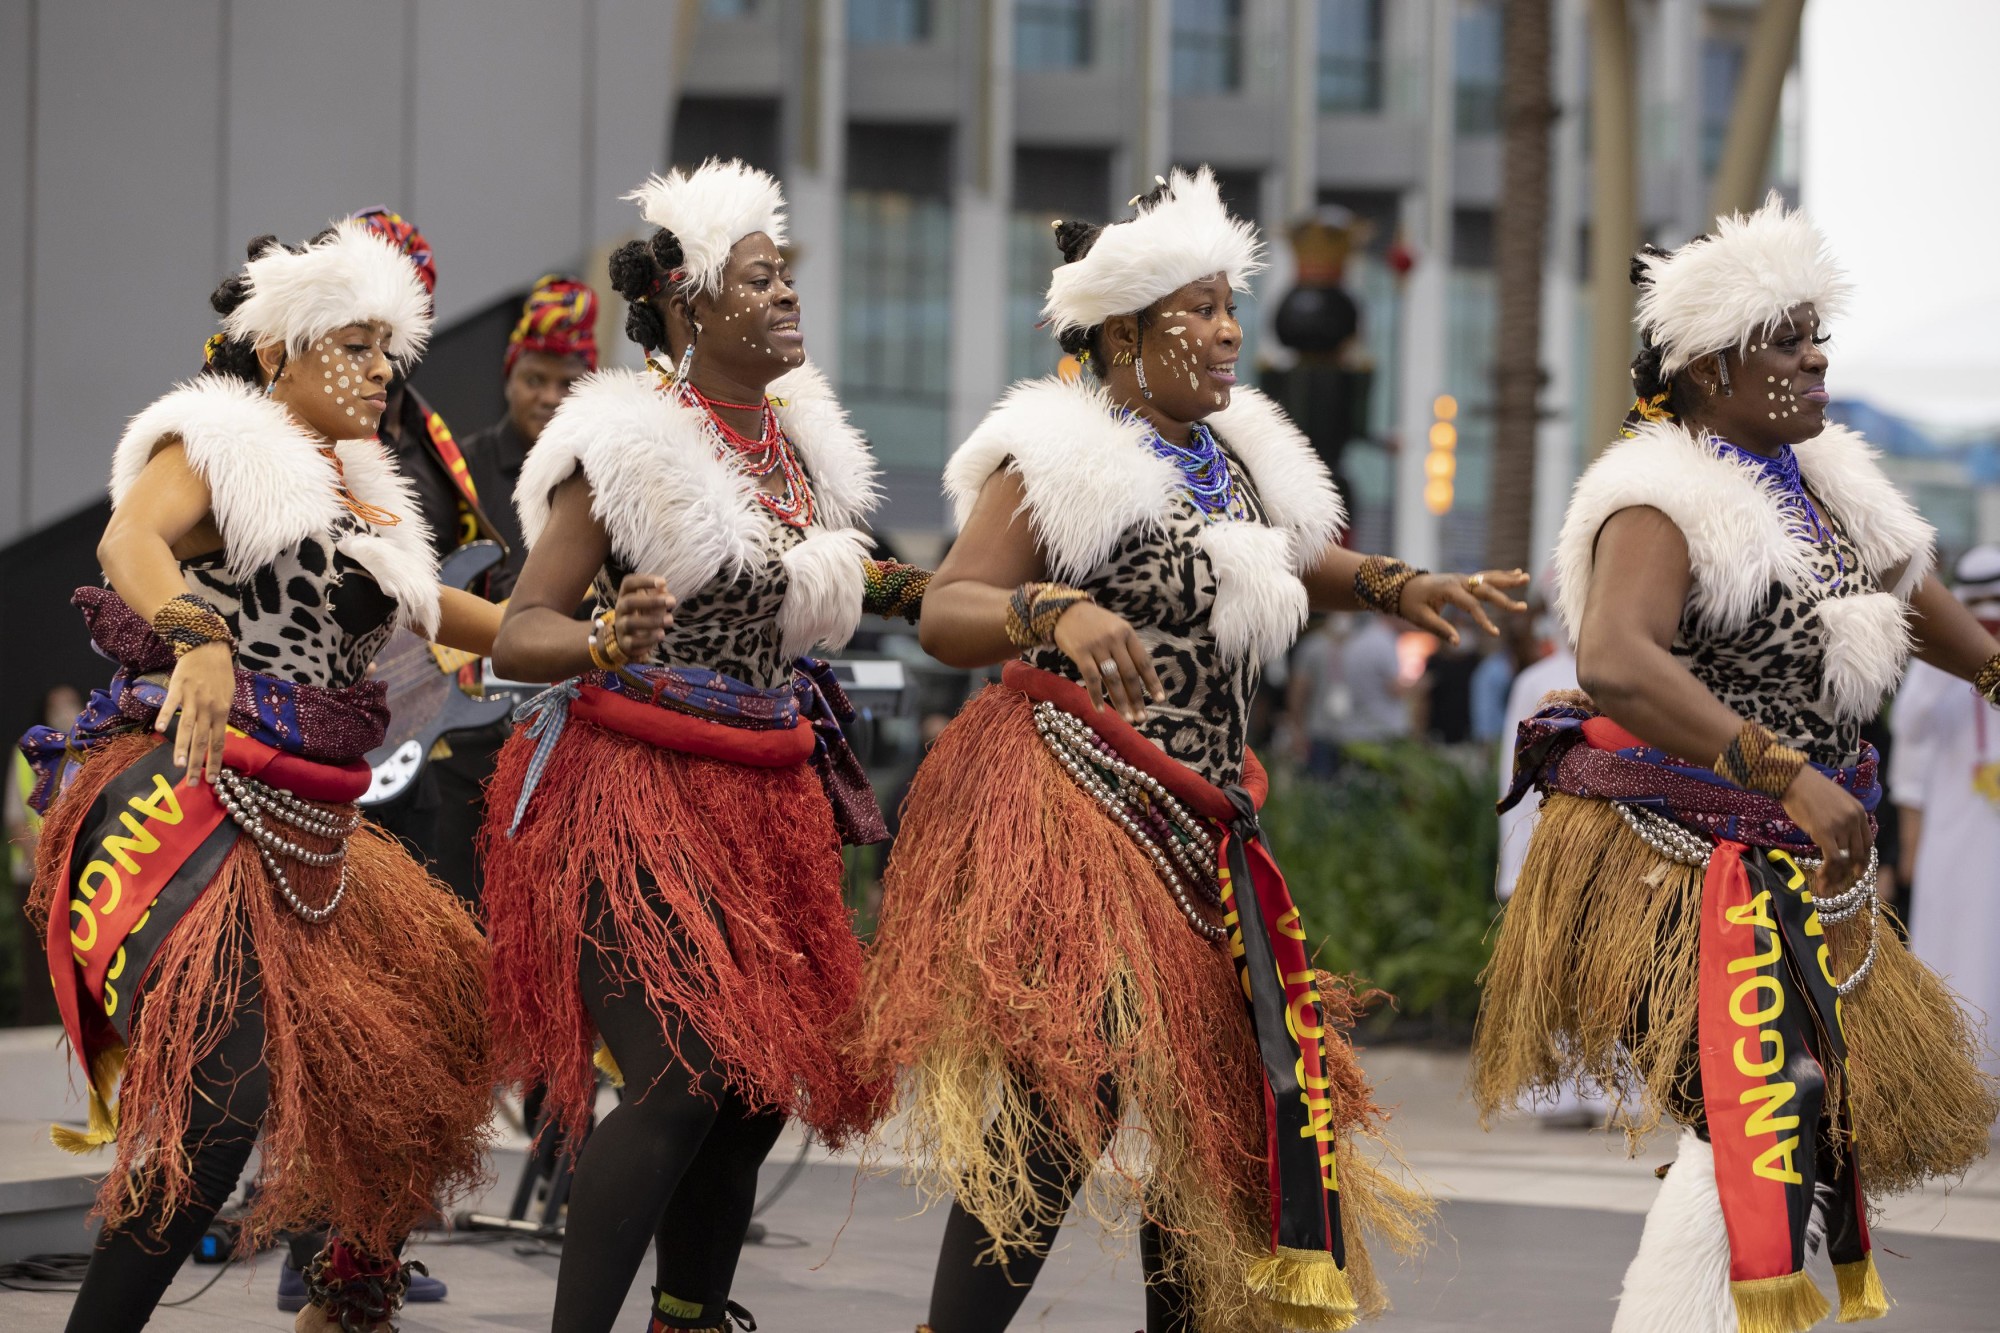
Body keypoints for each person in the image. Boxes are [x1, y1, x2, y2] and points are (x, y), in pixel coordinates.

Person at [860, 168, 1526, 1333]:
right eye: (1200, 310)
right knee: (1063, 1108)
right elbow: (947, 605)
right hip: (1082, 808)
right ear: (1124, 330)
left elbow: (1284, 551)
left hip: (1206, 821)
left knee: (1225, 1138)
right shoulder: (1055, 453)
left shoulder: (1229, 451)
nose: (1227, 332)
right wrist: (1050, 611)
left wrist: (1397, 583)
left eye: (1230, 306)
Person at [1473, 195, 2000, 1333]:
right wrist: (1782, 771)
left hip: (1794, 863)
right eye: (1785, 337)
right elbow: (1612, 660)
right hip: (1666, 860)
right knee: (1770, 1102)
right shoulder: (1656, 494)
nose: (1816, 354)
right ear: (1708, 365)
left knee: (1798, 1115)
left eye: (1819, 332)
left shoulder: (1825, 484)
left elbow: (1930, 616)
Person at [19, 221, 497, 1332]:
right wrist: (195, 634)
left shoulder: (370, 507)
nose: (383, 369)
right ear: (278, 351)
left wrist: (602, 639)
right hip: (189, 795)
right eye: (357, 343)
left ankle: (347, 1294)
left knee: (428, 1047)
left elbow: (478, 624)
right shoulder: (215, 439)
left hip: (311, 822)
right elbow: (127, 542)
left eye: (392, 348)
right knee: (219, 1108)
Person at [479, 158, 923, 1333]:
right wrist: (599, 638)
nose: (786, 297)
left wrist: (1030, 608)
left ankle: (688, 1316)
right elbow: (519, 631)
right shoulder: (623, 442)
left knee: (748, 1093)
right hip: (633, 792)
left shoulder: (805, 451)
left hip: (768, 801)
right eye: (759, 278)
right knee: (676, 1081)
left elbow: (882, 581)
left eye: (787, 278)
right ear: (684, 300)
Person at [1890, 543, 2000, 1079]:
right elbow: (1909, 728)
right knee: (1954, 950)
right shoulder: (1950, 655)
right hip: (1955, 838)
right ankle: (1960, 1086)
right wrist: (1948, 664)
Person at [463, 273, 600, 600]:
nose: (550, 397)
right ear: (509, 379)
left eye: (567, 384)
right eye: (535, 380)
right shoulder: (462, 468)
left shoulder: (605, 476)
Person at [1286, 612, 1411, 778]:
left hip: (1348, 732)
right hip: (1327, 732)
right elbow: (1298, 691)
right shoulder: (1314, 646)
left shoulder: (1363, 642)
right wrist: (1297, 728)